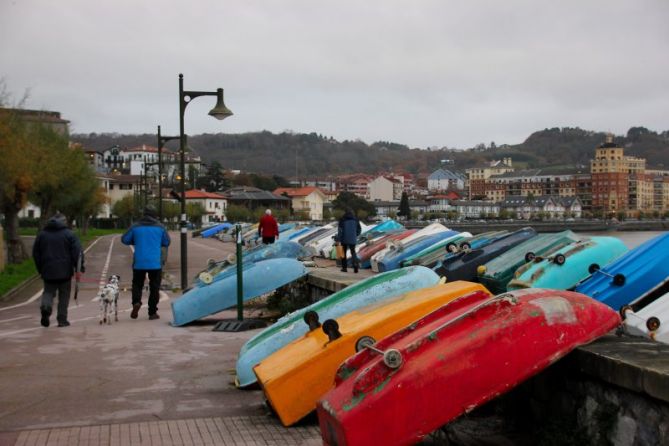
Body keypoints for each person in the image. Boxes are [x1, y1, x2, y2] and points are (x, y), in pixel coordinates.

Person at [32, 212, 84, 328]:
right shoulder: (69, 234)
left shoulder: (42, 235)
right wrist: (79, 268)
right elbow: (77, 253)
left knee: (48, 292)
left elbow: (36, 253)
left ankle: (46, 307)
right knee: (64, 295)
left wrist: (40, 268)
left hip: (48, 270)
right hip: (65, 271)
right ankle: (62, 320)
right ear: (64, 222)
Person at [122, 205, 170, 320]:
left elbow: (124, 239)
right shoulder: (160, 227)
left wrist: (135, 240)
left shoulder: (135, 226)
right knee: (154, 287)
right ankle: (152, 312)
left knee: (137, 284)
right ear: (155, 215)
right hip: (155, 262)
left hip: (139, 261)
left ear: (143, 214)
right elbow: (167, 242)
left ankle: (136, 302)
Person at [337, 208, 362, 273]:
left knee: (343, 253)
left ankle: (344, 268)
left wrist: (338, 239)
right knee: (353, 252)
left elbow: (340, 230)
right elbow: (359, 229)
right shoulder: (356, 219)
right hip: (353, 238)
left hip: (344, 238)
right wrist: (356, 235)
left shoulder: (342, 219)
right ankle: (355, 265)